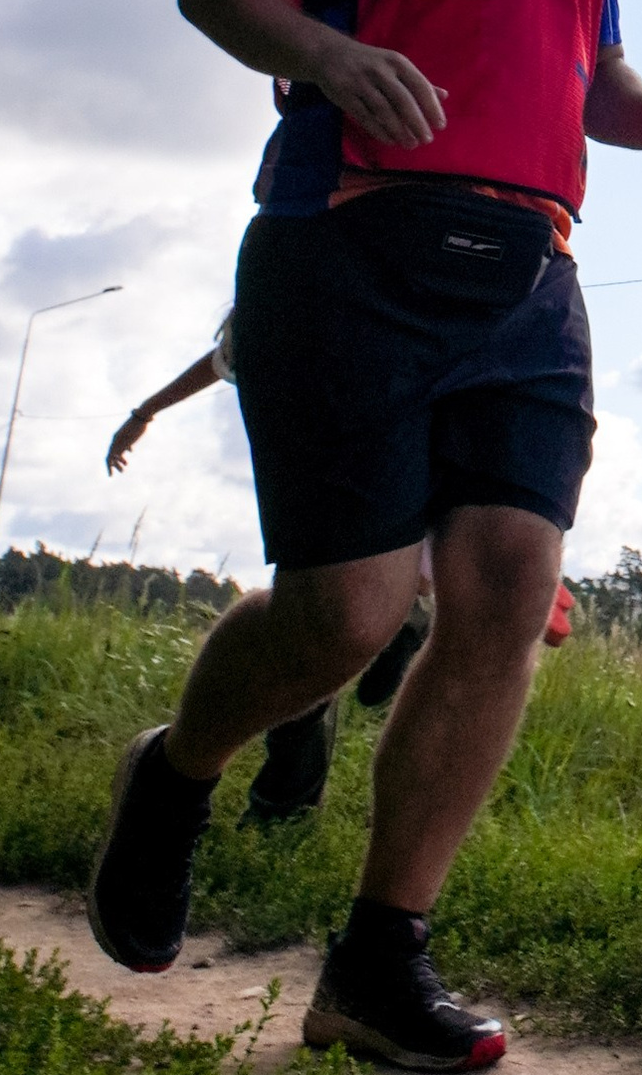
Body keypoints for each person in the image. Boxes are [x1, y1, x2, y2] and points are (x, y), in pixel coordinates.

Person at [88, 0, 642, 1073]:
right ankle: (177, 772)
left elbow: (590, 78)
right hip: (346, 245)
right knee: (352, 612)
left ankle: (378, 962)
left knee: (504, 593)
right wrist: (324, 50)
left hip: (529, 271)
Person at [106, 318, 430, 830]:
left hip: (345, 478)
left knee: (305, 639)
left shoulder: (327, 304)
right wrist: (144, 412)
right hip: (331, 484)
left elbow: (224, 359)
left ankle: (282, 810)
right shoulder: (273, 313)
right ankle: (401, 615)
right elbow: (218, 362)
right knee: (307, 645)